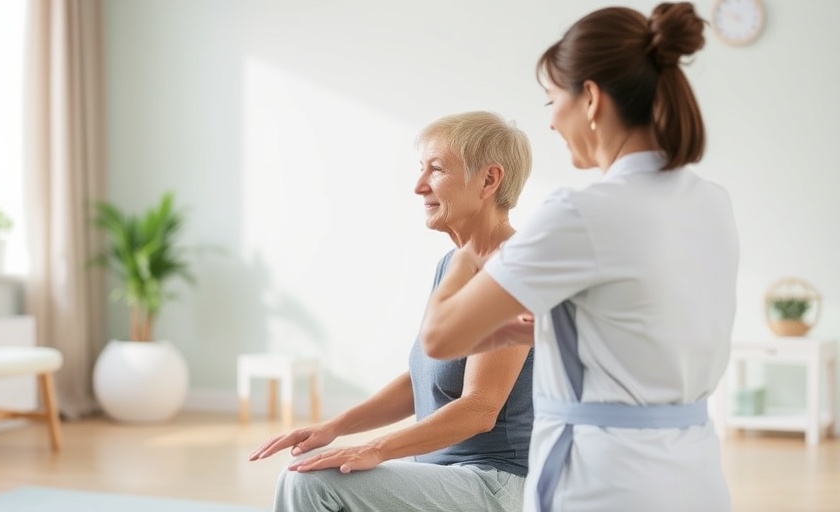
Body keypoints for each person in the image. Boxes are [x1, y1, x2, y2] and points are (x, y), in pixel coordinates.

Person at [418, 3, 737, 512]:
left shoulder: (581, 213)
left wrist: (467, 257)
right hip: (695, 475)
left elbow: (440, 337)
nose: (550, 125)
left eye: (551, 101)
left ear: (589, 98)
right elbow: (653, 322)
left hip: (603, 484)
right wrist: (560, 329)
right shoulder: (712, 202)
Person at [249, 111, 535, 512]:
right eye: (422, 169)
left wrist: (374, 449)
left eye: (435, 170)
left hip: (495, 485)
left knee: (311, 483)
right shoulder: (454, 266)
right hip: (448, 476)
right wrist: (335, 428)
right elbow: (422, 378)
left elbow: (480, 408)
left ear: (489, 180)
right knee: (315, 467)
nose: (419, 186)